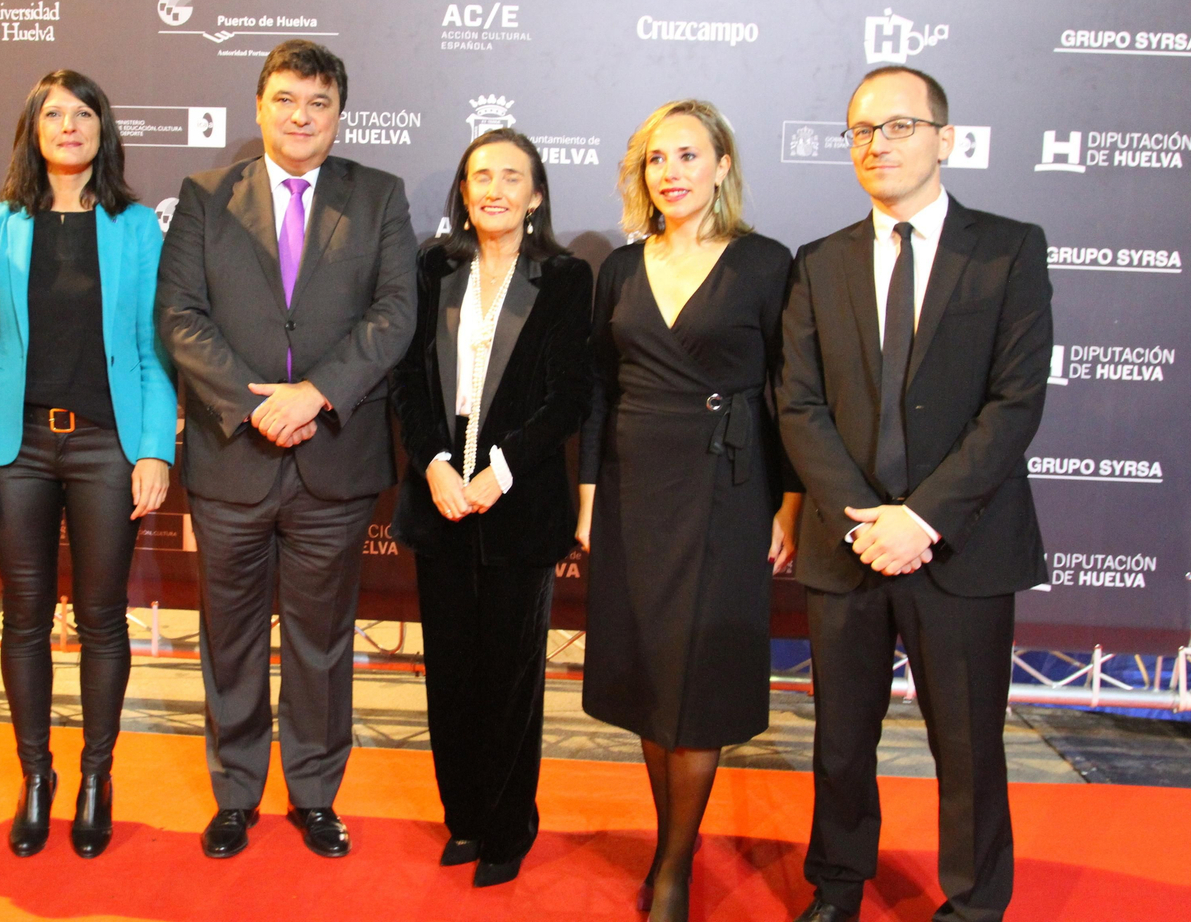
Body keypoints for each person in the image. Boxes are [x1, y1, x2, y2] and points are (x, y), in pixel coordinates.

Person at [776, 66, 1052, 922]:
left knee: (968, 746)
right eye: (861, 131)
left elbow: (1016, 403)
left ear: (946, 139)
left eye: (898, 127)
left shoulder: (1008, 249)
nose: (878, 145)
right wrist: (865, 519)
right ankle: (838, 884)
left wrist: (921, 519)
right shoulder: (819, 262)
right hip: (848, 539)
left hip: (960, 544)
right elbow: (798, 402)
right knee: (841, 740)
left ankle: (973, 901)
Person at [157, 39, 415, 860]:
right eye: (286, 100)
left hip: (333, 459)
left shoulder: (378, 197)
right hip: (233, 458)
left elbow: (395, 314)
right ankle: (235, 792)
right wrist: (250, 405)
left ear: (340, 114)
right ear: (259, 106)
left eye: (318, 103)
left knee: (320, 639)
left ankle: (313, 793)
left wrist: (318, 394)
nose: (301, 116)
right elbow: (180, 317)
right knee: (228, 635)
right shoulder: (204, 197)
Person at [577, 100, 801, 922]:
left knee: (696, 677)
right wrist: (591, 493)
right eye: (655, 160)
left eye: (687, 155)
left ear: (722, 165)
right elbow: (600, 387)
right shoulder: (621, 270)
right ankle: (676, 837)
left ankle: (671, 868)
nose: (671, 172)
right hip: (634, 486)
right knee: (645, 671)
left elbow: (791, 393)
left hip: (727, 487)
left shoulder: (766, 263)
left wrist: (793, 498)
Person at [0, 70, 176, 860]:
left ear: (104, 130)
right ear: (33, 129)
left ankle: (95, 778)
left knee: (103, 618)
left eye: (85, 114)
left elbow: (153, 351)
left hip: (106, 448)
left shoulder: (137, 226)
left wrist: (155, 449)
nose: (70, 126)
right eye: (55, 114)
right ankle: (37, 777)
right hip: (16, 450)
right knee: (25, 617)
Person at [390, 128, 592, 887]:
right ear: (464, 193)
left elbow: (568, 395)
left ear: (536, 193)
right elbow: (408, 381)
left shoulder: (567, 278)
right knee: (450, 671)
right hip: (439, 489)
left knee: (511, 675)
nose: (495, 190)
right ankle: (465, 820)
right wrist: (437, 464)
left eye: (512, 177)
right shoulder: (434, 268)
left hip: (520, 495)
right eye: (481, 176)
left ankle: (510, 826)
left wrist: (498, 471)